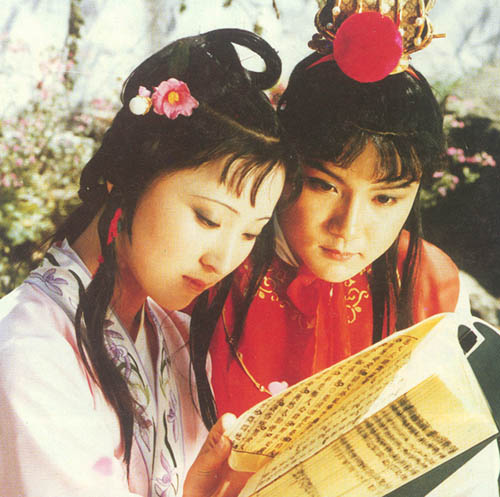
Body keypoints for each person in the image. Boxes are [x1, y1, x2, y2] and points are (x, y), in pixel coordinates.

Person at [189, 5, 500, 496]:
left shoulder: (430, 286)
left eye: (386, 198)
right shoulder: (214, 262)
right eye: (323, 185)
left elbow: (468, 475)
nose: (349, 228)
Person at [0, 28, 296, 497]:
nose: (222, 259)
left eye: (249, 233)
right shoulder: (30, 353)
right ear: (126, 176)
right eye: (208, 218)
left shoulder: (175, 339)